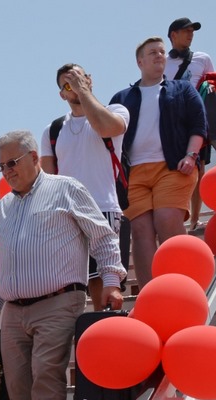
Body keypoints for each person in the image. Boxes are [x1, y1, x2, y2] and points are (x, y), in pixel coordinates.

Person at [0, 130, 125, 400]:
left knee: (46, 377)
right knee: (17, 387)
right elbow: (3, 261)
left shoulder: (67, 188)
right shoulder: (3, 207)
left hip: (58, 302)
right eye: (2, 166)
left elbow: (103, 237)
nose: (7, 171)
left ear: (34, 157)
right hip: (13, 311)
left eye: (12, 163)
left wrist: (111, 281)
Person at [110, 37, 207, 285]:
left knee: (166, 219)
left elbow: (199, 125)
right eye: (152, 52)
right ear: (139, 62)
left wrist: (191, 155)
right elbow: (108, 136)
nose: (159, 55)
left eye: (162, 52)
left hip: (172, 167)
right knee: (140, 230)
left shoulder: (182, 89)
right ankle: (150, 292)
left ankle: (183, 285)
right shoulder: (121, 97)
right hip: (134, 173)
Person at [40, 63, 130, 310]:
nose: (75, 86)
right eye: (68, 85)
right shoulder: (53, 130)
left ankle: (106, 325)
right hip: (68, 214)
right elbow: (47, 178)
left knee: (105, 280)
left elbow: (106, 128)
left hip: (103, 207)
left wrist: (82, 92)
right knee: (76, 281)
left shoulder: (116, 111)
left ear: (89, 80)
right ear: (62, 94)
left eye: (79, 78)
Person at [164, 17, 216, 230]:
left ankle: (194, 220)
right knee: (171, 169)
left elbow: (212, 86)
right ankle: (176, 218)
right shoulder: (162, 61)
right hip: (171, 121)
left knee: (199, 168)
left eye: (192, 31)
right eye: (186, 31)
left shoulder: (203, 58)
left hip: (196, 118)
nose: (191, 34)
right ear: (173, 35)